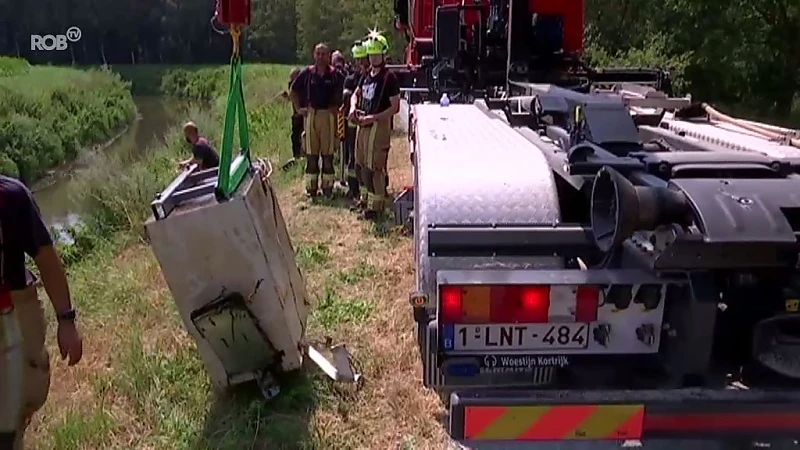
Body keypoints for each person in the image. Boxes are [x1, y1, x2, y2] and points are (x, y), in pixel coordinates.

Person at [0, 175, 83, 450]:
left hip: (16, 309)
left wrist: (66, 320)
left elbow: (46, 258)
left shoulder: (11, 196)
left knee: (29, 393)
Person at [348, 33, 401, 220]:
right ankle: (365, 200)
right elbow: (356, 94)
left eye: (377, 55)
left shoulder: (389, 78)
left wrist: (375, 117)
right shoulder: (366, 76)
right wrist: (353, 108)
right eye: (371, 55)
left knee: (375, 168)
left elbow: (395, 107)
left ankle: (376, 207)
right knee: (360, 165)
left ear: (383, 55)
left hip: (378, 126)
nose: (373, 58)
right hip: (363, 124)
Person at [290, 43, 345, 198]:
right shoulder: (307, 73)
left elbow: (347, 91)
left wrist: (340, 108)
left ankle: (328, 189)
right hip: (311, 115)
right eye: (318, 54)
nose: (321, 57)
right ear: (314, 55)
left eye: (324, 54)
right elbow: (293, 91)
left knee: (328, 155)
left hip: (328, 116)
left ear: (329, 56)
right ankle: (311, 189)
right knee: (311, 155)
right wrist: (299, 109)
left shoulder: (335, 75)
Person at [342, 41, 367, 202]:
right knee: (352, 156)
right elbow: (346, 98)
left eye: (362, 59)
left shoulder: (371, 78)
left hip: (366, 122)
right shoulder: (350, 79)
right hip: (352, 124)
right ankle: (353, 188)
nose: (359, 63)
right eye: (357, 60)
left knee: (366, 158)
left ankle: (366, 190)